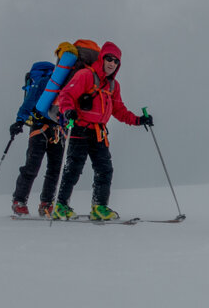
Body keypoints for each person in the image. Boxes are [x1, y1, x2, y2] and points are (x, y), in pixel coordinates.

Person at [50, 42, 152, 220]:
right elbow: (67, 95)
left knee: (105, 169)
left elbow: (119, 110)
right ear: (102, 58)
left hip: (99, 133)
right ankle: (60, 205)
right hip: (79, 128)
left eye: (116, 61)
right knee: (73, 168)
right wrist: (68, 111)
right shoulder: (86, 75)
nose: (112, 63)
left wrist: (138, 120)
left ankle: (99, 207)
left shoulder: (113, 86)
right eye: (109, 59)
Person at [9, 40, 101, 217]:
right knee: (35, 166)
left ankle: (44, 203)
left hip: (58, 127)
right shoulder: (47, 81)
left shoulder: (71, 80)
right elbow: (30, 101)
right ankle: (21, 201)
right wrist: (20, 120)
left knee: (54, 168)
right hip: (41, 125)